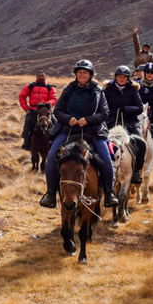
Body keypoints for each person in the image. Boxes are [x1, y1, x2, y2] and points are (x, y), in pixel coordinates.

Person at [39, 59, 116, 209]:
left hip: (93, 131)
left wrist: (88, 120)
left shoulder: (98, 91)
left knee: (106, 158)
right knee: (52, 157)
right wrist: (69, 119)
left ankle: (109, 192)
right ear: (76, 74)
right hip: (68, 130)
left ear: (90, 74)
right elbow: (58, 111)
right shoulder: (69, 89)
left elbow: (104, 112)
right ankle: (50, 194)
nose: (82, 74)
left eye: (85, 72)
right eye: (79, 72)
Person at [104, 64, 147, 177]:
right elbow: (102, 106)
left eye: (124, 76)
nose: (122, 78)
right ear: (115, 77)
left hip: (130, 122)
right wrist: (111, 112)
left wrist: (127, 109)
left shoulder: (133, 90)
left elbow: (140, 107)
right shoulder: (108, 89)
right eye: (119, 76)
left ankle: (137, 171)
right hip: (111, 122)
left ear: (128, 78)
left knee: (141, 143)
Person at [17, 72, 57, 150]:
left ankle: (56, 144)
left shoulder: (50, 88)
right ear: (36, 77)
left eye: (42, 76)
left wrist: (46, 104)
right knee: (28, 125)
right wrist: (26, 108)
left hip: (46, 111)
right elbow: (22, 96)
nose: (40, 77)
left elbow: (54, 98)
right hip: (33, 110)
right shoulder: (30, 86)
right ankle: (27, 143)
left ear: (45, 77)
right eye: (39, 76)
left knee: (55, 124)